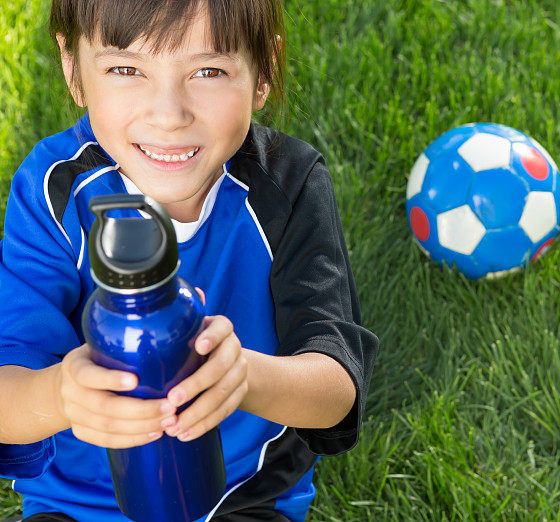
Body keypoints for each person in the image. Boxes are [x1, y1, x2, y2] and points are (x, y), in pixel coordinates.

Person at [0, 0, 379, 520]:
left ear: (263, 70)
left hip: (243, 497)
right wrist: (61, 395)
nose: (169, 115)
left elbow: (336, 388)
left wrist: (243, 377)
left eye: (208, 70)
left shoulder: (287, 187)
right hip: (76, 505)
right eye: (126, 69)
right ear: (73, 69)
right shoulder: (54, 192)